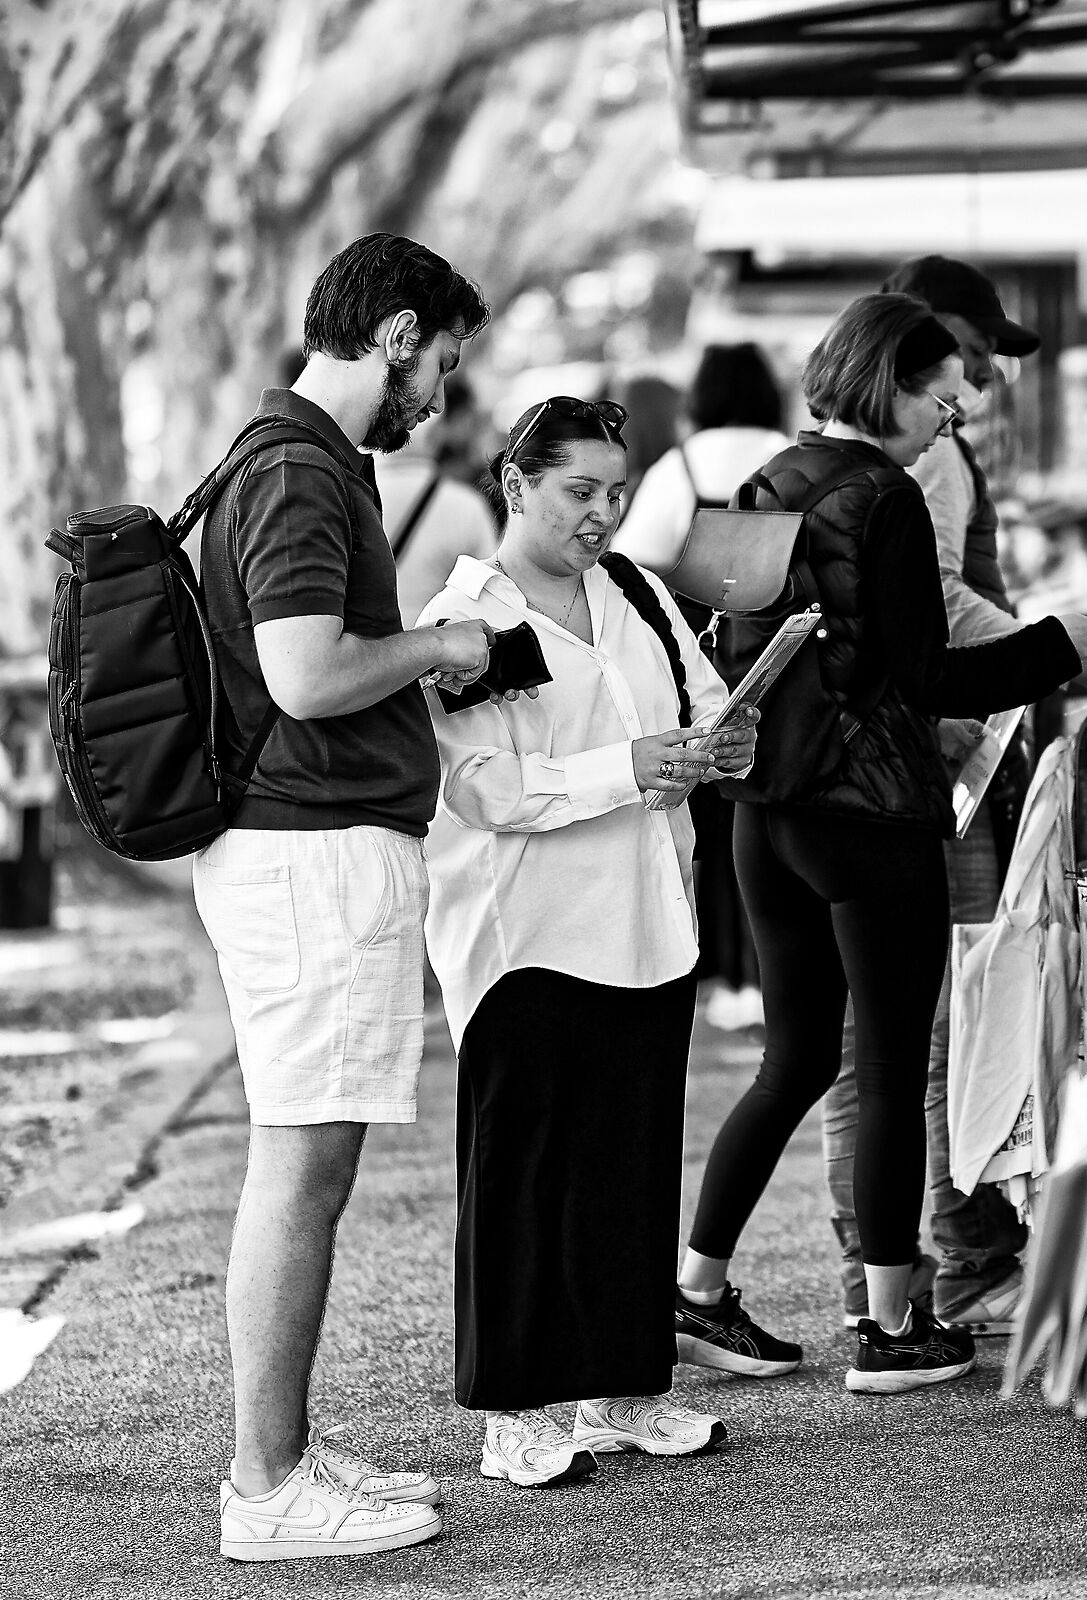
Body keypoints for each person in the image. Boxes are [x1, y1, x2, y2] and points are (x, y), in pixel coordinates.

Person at [674, 293, 1087, 1395]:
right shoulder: (887, 497)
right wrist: (1061, 646)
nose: (948, 417)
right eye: (939, 397)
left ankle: (701, 1284)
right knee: (895, 1065)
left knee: (797, 1058)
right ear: (888, 385)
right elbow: (927, 679)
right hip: (870, 817)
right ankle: (893, 1328)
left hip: (769, 813)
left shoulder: (771, 479)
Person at [816, 257, 1087, 1335]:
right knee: (929, 1023)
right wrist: (1055, 655)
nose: (977, 388)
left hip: (870, 775)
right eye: (966, 361)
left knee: (878, 1032)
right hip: (927, 765)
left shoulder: (844, 462)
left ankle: (890, 1273)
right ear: (912, 350)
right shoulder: (914, 462)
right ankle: (946, 1261)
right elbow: (930, 617)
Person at [194, 233, 493, 1562]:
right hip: (308, 850)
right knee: (301, 1162)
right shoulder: (306, 469)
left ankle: (288, 1454)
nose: (441, 386)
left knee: (312, 1157)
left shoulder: (300, 457)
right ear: (397, 334)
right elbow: (310, 676)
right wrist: (438, 641)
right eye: (442, 358)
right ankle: (266, 1487)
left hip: (313, 847)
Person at [419, 395, 757, 1489]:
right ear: (516, 485)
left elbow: (696, 712)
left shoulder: (639, 593)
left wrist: (727, 744)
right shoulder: (465, 620)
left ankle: (621, 1390)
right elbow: (476, 789)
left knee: (629, 1164)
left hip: (649, 918)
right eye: (579, 491)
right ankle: (515, 1412)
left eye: (616, 492)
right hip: (526, 933)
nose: (602, 513)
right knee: (523, 1179)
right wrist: (630, 768)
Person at [614, 345, 794, 1024]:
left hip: (701, 664)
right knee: (773, 814)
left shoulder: (679, 468)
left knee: (713, 820)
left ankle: (718, 968)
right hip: (784, 663)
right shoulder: (787, 456)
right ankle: (769, 967)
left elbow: (628, 563)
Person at [614, 343, 792, 570]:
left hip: (695, 604)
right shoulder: (790, 455)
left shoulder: (682, 462)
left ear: (701, 394)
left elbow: (632, 554)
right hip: (786, 603)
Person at [377, 372, 499, 624]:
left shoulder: (346, 494)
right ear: (437, 433)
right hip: (434, 655)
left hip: (367, 654)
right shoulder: (466, 507)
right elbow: (492, 596)